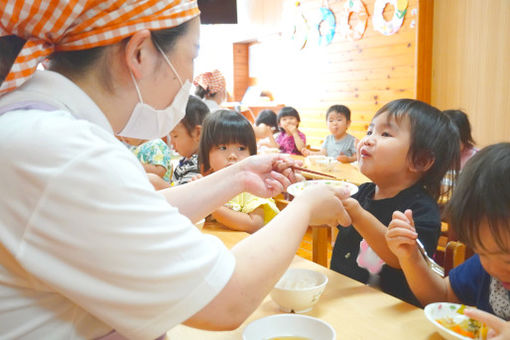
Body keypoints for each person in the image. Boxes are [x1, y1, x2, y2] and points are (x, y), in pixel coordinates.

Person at [0, 1, 352, 338]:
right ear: (140, 52)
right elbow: (227, 300)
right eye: (192, 55)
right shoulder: (65, 151)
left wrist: (239, 175)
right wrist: (304, 207)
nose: (190, 77)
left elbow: (134, 218)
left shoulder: (43, 128)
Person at [329, 99, 460, 306]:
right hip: (342, 297)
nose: (369, 140)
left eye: (385, 134)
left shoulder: (421, 210)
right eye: (370, 131)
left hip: (391, 314)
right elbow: (337, 221)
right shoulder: (362, 192)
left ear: (421, 160)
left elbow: (401, 259)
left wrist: (357, 214)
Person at [386, 143, 510, 338]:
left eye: (507, 259)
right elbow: (440, 296)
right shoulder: (485, 266)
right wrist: (410, 257)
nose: (493, 267)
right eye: (482, 251)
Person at [198, 109, 280, 233]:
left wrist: (210, 204)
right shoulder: (207, 182)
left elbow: (254, 224)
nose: (232, 155)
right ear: (206, 153)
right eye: (222, 147)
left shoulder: (251, 186)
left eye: (241, 148)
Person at [170, 95, 210, 185]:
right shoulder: (188, 159)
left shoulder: (199, 165)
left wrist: (159, 184)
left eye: (175, 136)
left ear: (198, 133)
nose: (172, 143)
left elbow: (185, 196)